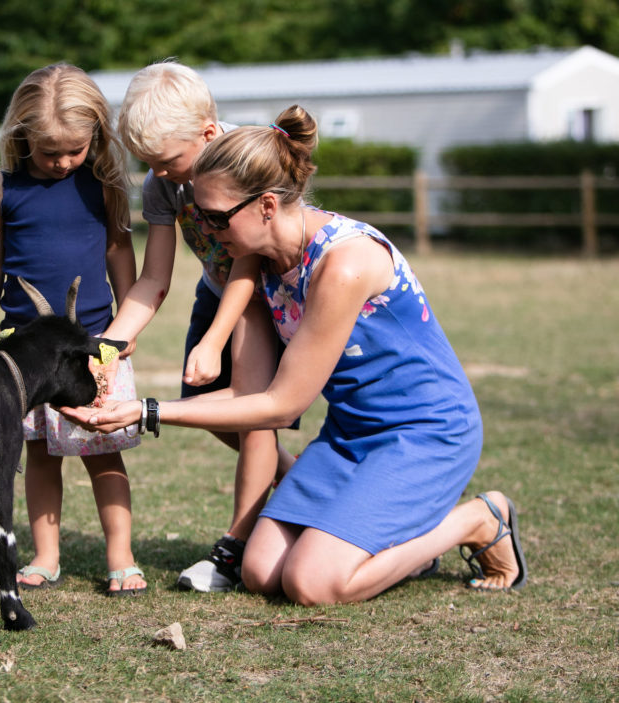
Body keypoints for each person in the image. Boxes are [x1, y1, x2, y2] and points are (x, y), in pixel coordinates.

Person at [62, 105, 528, 602]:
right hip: (351, 435)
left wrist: (147, 413)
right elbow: (248, 394)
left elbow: (283, 405)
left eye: (217, 218)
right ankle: (390, 543)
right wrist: (127, 400)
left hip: (426, 433)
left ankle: (476, 520)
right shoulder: (259, 266)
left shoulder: (344, 263)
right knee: (262, 572)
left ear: (266, 205)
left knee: (312, 582)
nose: (208, 231)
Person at [98, 60, 296, 592]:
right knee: (205, 409)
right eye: (149, 164)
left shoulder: (243, 161)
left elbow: (250, 265)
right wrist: (110, 345)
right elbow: (155, 277)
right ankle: (304, 484)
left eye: (167, 161)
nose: (160, 174)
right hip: (216, 292)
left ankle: (232, 551)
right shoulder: (162, 186)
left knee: (252, 412)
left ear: (208, 134)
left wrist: (214, 341)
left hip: (264, 292)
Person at [0, 63, 146, 596]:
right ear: (22, 135)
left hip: (94, 348)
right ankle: (46, 555)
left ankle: (121, 553)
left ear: (96, 135)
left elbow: (119, 249)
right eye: (51, 152)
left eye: (75, 149)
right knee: (41, 453)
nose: (64, 161)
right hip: (25, 351)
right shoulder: (3, 188)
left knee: (103, 450)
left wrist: (123, 325)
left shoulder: (104, 184)